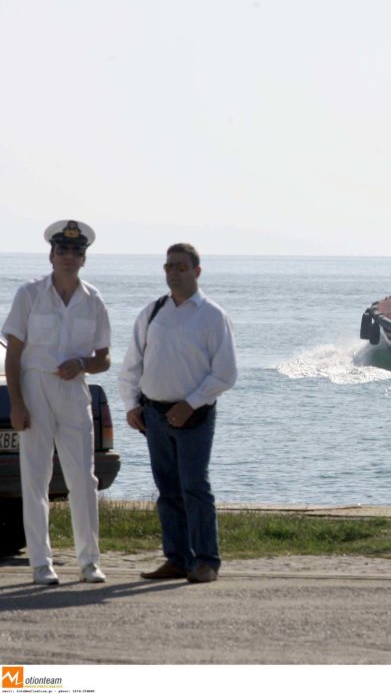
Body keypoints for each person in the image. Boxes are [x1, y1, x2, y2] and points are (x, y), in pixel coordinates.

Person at [118, 243, 237, 584]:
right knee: (167, 489)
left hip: (194, 416)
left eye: (181, 267)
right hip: (154, 416)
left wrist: (191, 403)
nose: (174, 272)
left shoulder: (212, 315)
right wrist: (131, 405)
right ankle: (177, 559)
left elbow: (225, 373)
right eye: (169, 266)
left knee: (195, 487)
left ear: (197, 271)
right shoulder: (153, 312)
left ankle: (206, 561)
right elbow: (132, 364)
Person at [2, 220, 111, 585]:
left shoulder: (92, 299)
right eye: (62, 250)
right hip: (34, 386)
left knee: (83, 477)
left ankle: (89, 561)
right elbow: (13, 355)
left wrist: (83, 364)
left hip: (73, 389)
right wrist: (17, 403)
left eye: (76, 251)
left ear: (84, 259)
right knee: (35, 478)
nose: (69, 256)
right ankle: (40, 563)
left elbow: (104, 358)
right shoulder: (29, 294)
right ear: (51, 254)